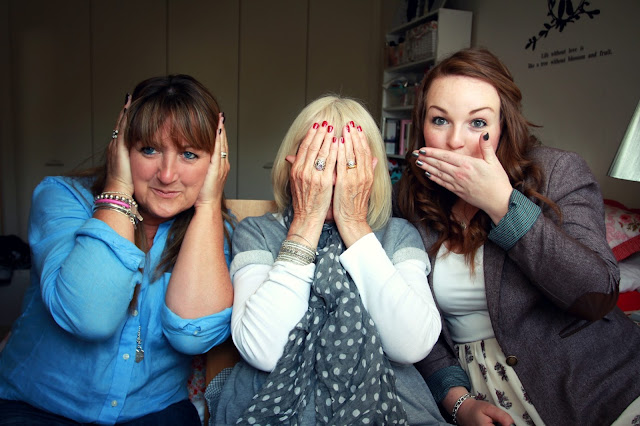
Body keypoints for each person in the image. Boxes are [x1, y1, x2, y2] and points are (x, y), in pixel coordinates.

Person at [394, 47, 640, 426]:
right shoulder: (409, 199)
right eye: (440, 120)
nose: (455, 141)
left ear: (504, 125)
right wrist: (457, 401)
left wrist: (502, 205)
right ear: (421, 124)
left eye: (477, 122)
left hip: (596, 388)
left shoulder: (558, 171)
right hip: (482, 396)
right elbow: (413, 321)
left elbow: (595, 296)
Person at [0, 74, 235, 424]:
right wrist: (119, 186)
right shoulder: (62, 197)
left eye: (189, 154)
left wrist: (208, 204)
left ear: (215, 161)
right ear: (122, 147)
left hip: (154, 411)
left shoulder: (214, 229)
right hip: (39, 406)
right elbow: (88, 317)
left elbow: (191, 337)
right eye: (149, 149)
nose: (167, 174)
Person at [208, 95, 447, 425]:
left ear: (370, 170)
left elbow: (411, 345)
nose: (332, 180)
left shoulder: (398, 234)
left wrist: (354, 224)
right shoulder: (257, 232)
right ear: (294, 165)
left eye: (349, 164)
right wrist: (307, 220)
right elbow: (265, 351)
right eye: (318, 162)